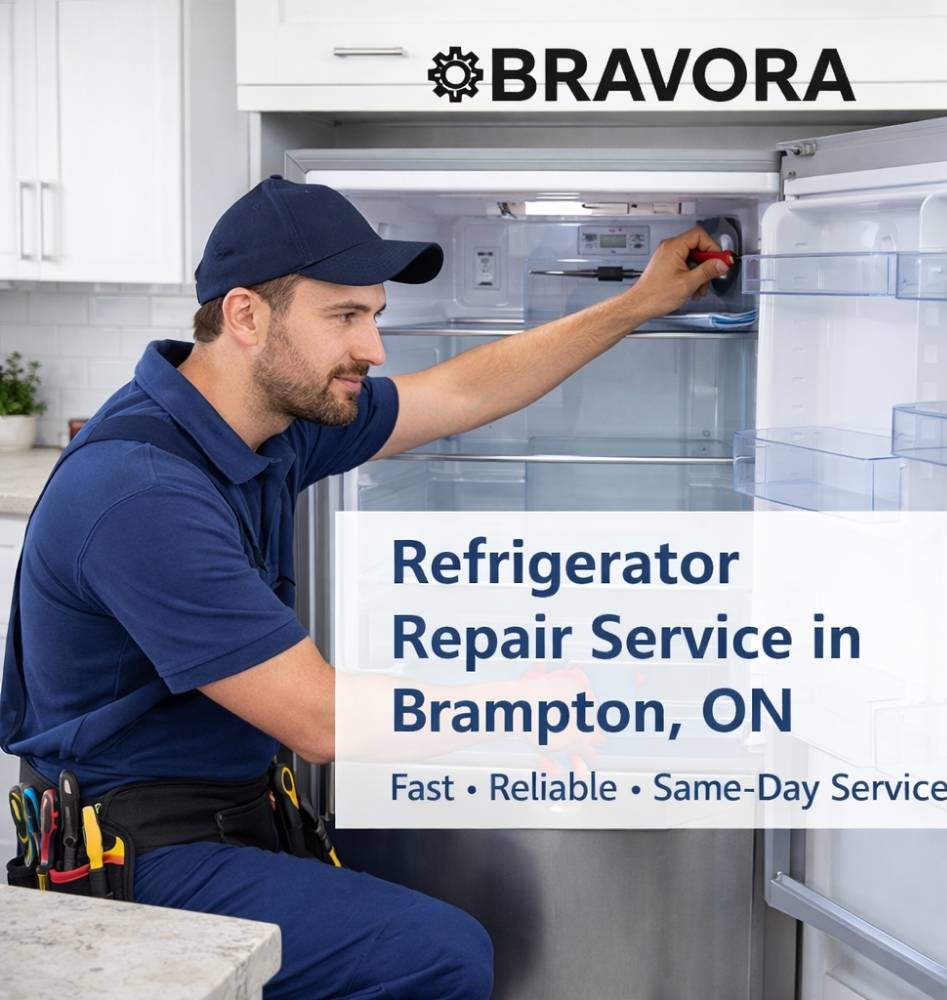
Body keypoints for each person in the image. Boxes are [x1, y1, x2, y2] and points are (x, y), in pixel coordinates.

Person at [0, 176, 728, 999]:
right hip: (138, 857)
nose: (374, 348)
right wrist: (524, 702)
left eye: (373, 317)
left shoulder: (266, 428)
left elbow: (459, 392)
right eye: (345, 317)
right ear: (246, 316)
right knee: (439, 953)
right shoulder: (141, 492)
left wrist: (634, 305)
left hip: (237, 812)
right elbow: (319, 719)